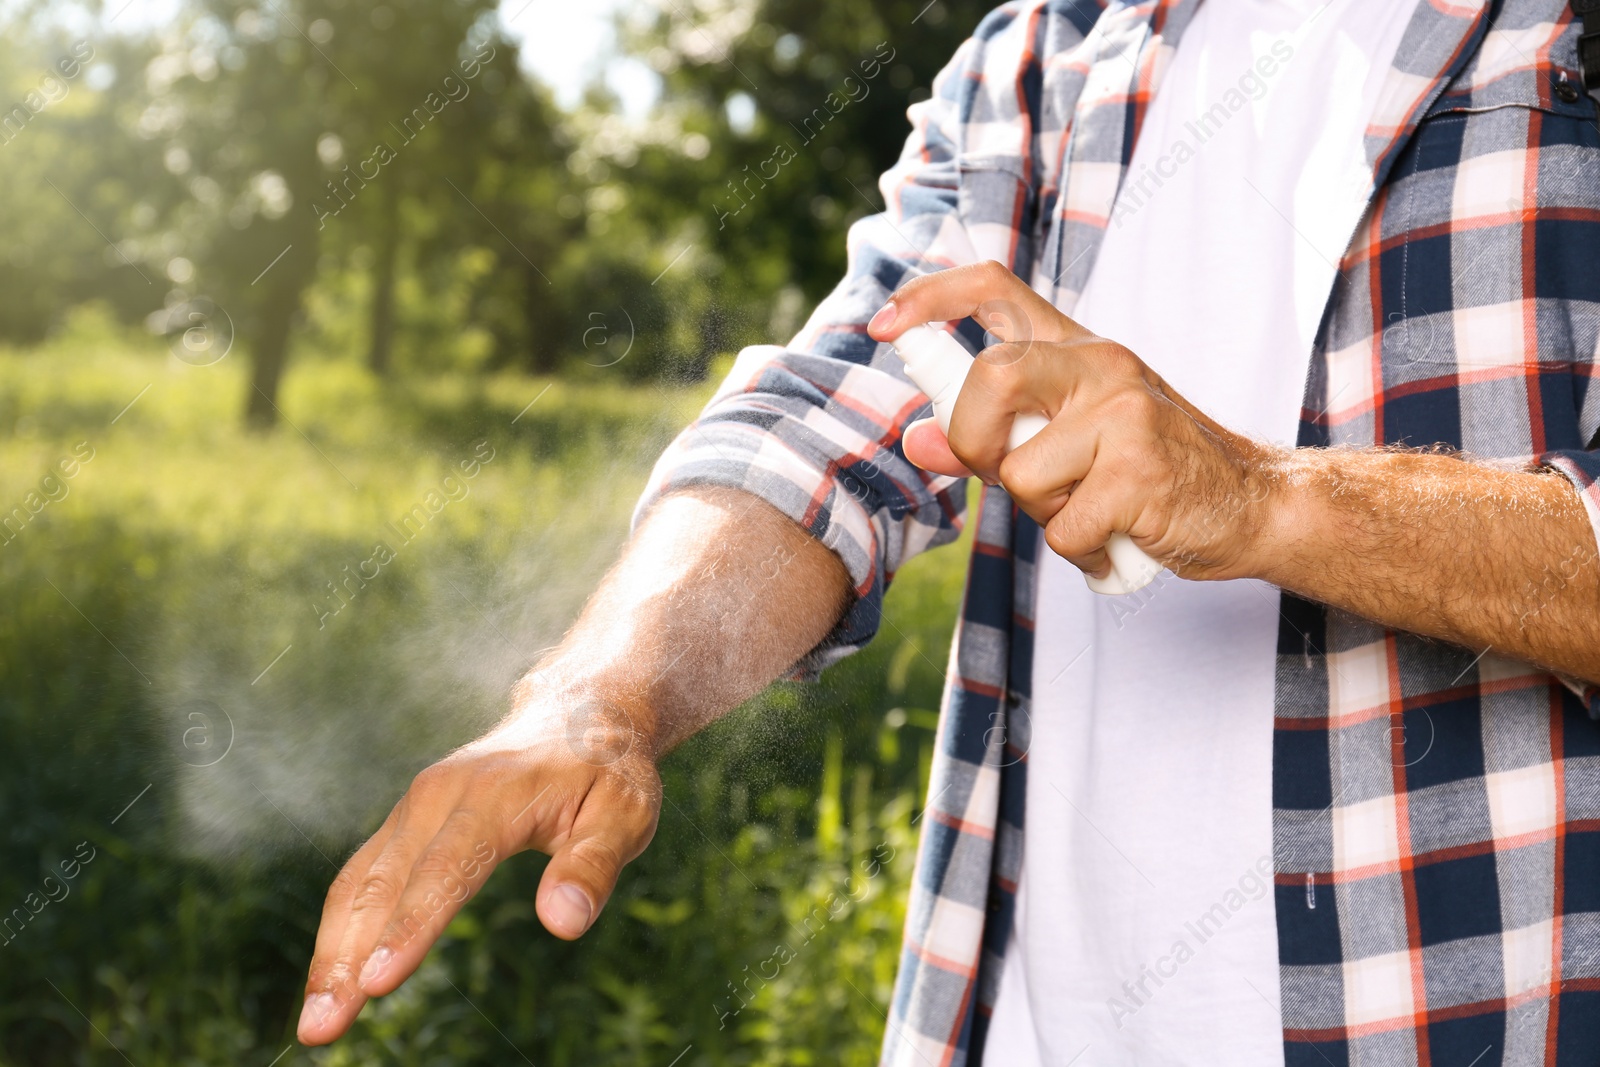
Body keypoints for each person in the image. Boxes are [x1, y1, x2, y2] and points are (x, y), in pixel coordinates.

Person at [297, 0, 1600, 1061]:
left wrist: (1260, 500)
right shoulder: (1046, 56)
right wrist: (595, 698)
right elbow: (832, 420)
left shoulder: (1555, 49)